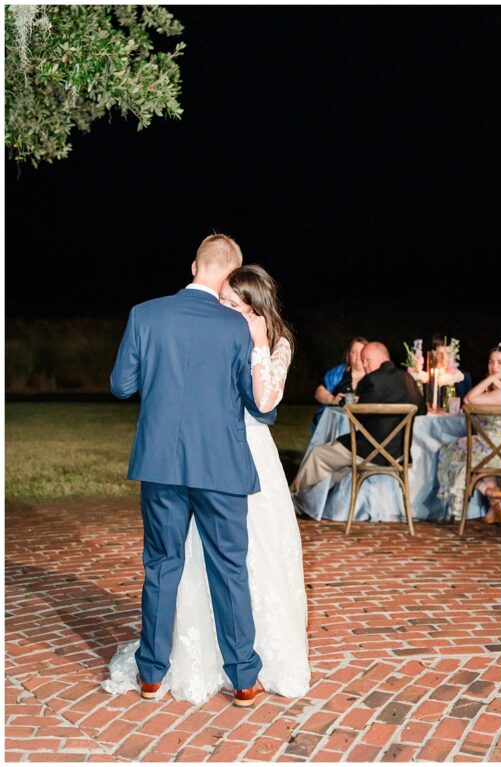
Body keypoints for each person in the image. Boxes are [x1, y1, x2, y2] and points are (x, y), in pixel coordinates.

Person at [104, 235, 271, 706]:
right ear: (231, 274)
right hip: (221, 466)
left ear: (195, 264)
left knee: (161, 566)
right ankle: (243, 679)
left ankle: (152, 675)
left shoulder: (145, 314)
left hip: (160, 465)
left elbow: (121, 386)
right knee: (229, 570)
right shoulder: (237, 326)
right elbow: (258, 405)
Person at [291, 342, 426, 492]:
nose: (364, 365)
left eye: (367, 360)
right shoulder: (408, 379)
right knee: (337, 463)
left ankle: (294, 498)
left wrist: (353, 404)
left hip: (370, 453)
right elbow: (422, 410)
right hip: (400, 455)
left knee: (318, 454)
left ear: (381, 358)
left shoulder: (372, 380)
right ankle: (316, 502)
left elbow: (358, 419)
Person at [436, 344, 501, 523]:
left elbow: (469, 400)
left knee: (450, 453)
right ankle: (496, 503)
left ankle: (490, 494)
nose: (495, 367)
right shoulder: (499, 389)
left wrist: (490, 379)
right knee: (466, 455)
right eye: (491, 362)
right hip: (493, 446)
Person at [311, 336, 368, 432]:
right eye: (354, 352)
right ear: (349, 354)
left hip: (365, 424)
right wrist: (333, 399)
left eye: (361, 352)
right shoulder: (338, 373)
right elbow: (319, 392)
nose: (358, 357)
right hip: (334, 424)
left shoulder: (375, 374)